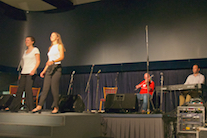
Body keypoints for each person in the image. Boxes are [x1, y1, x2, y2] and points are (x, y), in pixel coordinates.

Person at [32, 32, 65, 114]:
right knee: (45, 88)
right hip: (49, 68)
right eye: (51, 35)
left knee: (54, 88)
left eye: (53, 35)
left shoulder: (59, 46)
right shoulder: (50, 48)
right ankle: (39, 106)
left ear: (57, 37)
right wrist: (43, 71)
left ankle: (56, 106)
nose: (51, 36)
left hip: (56, 67)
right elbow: (48, 61)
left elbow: (61, 57)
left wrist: (54, 61)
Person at [5, 36, 40, 112]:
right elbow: (23, 64)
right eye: (25, 40)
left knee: (28, 89)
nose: (26, 42)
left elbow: (38, 61)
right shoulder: (25, 51)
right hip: (24, 72)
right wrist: (21, 73)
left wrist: (34, 70)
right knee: (19, 89)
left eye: (28, 40)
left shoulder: (35, 50)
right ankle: (14, 107)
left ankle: (30, 107)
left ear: (32, 41)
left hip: (31, 72)